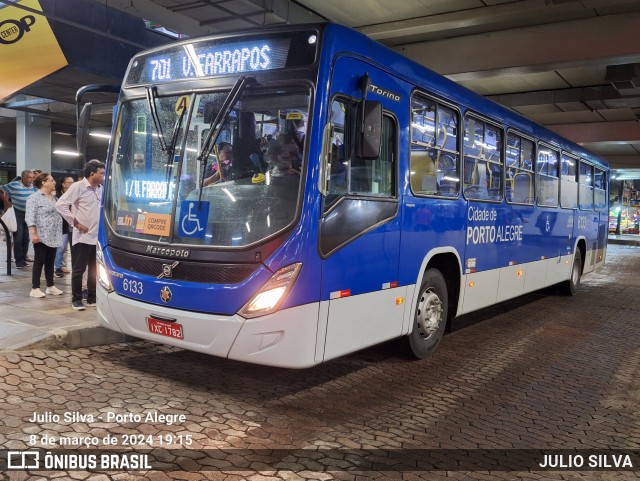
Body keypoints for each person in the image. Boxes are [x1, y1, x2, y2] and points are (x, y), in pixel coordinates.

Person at [55, 160, 105, 311]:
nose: (103, 176)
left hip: (97, 237)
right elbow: (60, 205)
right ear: (92, 174)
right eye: (101, 173)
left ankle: (91, 298)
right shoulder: (78, 187)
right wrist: (75, 223)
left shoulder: (100, 188)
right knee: (79, 269)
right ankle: (76, 299)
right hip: (83, 236)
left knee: (94, 270)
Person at [25, 173, 64, 298]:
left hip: (54, 234)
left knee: (50, 261)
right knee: (39, 261)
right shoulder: (34, 198)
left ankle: (50, 286)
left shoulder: (54, 198)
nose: (54, 183)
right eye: (51, 180)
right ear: (43, 182)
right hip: (41, 234)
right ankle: (35, 288)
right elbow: (30, 217)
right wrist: (34, 233)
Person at [0, 169, 36, 269]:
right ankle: (18, 261)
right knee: (18, 237)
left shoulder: (33, 187)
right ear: (23, 178)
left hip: (28, 214)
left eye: (33, 178)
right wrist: (6, 202)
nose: (31, 180)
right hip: (18, 213)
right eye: (29, 177)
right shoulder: (14, 185)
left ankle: (23, 259)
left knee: (26, 238)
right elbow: (1, 189)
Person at [54, 175, 75, 277]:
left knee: (69, 248)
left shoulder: (75, 195)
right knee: (61, 247)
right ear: (63, 184)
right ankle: (58, 267)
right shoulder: (57, 196)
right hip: (61, 225)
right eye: (69, 182)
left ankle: (63, 265)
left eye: (73, 182)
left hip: (72, 225)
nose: (72, 184)